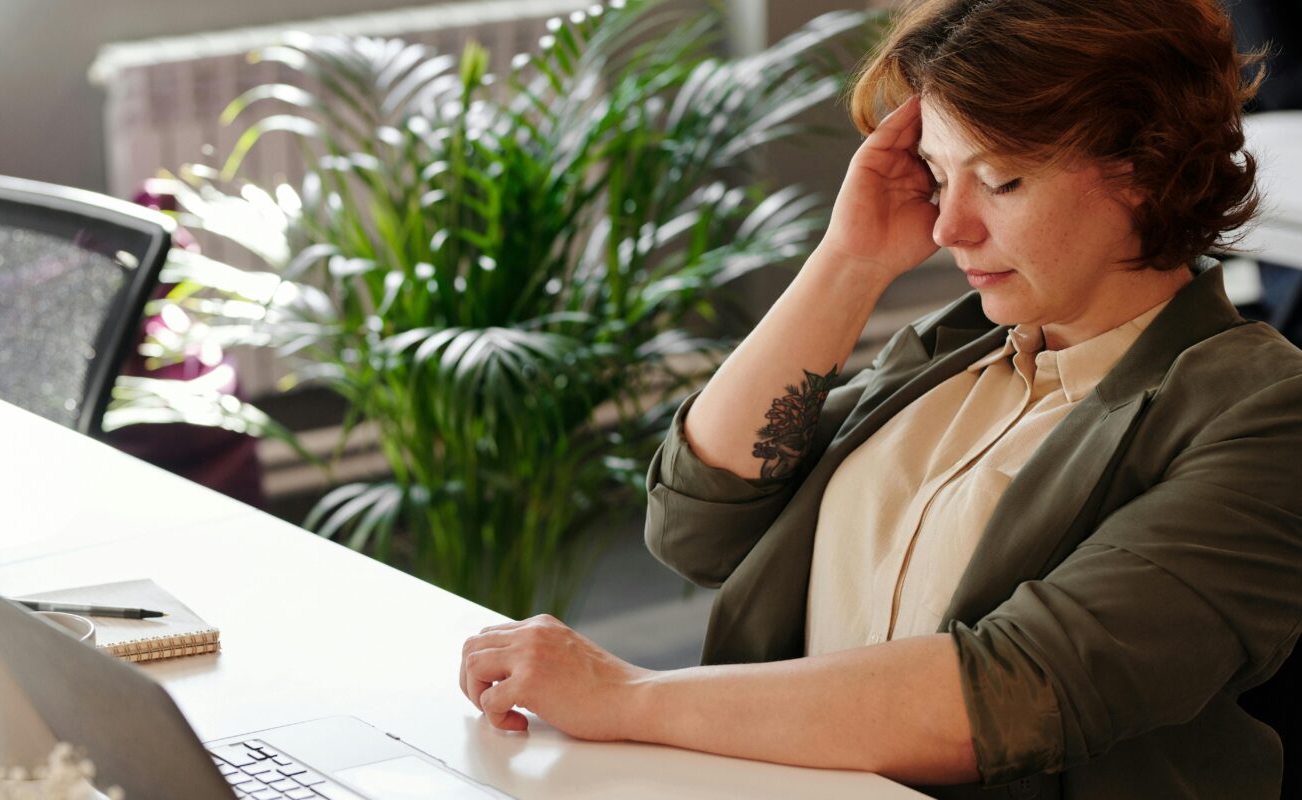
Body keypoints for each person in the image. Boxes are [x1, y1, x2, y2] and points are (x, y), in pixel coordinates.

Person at [458, 1, 1302, 797]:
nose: (948, 228)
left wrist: (627, 696)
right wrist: (848, 260)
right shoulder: (957, 349)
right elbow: (698, 524)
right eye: (939, 175)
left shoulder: (1262, 412)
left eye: (1001, 180)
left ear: (1148, 169)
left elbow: (1013, 691)